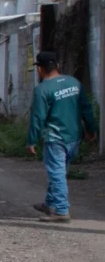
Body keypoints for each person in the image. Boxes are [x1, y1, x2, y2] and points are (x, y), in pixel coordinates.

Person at [26, 51, 97, 223]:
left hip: (55, 138)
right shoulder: (74, 83)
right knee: (59, 171)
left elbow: (38, 117)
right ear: (57, 66)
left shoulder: (42, 89)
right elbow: (86, 108)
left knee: (56, 173)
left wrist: (31, 140)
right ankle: (50, 203)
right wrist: (91, 129)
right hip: (74, 137)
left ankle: (61, 210)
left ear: (40, 69)